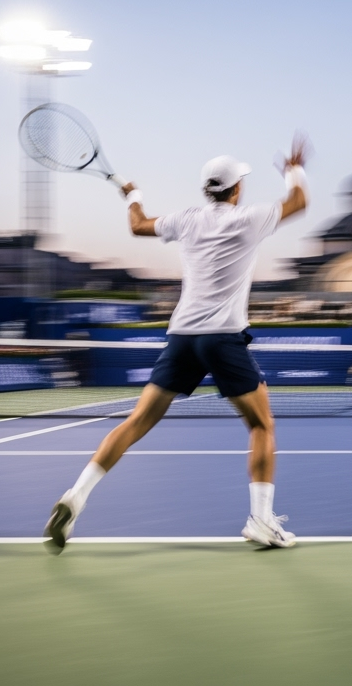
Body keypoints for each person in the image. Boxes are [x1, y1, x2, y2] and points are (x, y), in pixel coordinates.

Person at [43, 135, 311, 553]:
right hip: (223, 338)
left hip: (182, 337)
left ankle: (75, 497)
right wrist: (294, 168)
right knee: (261, 425)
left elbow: (138, 225)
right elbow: (298, 202)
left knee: (136, 422)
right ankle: (261, 521)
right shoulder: (250, 218)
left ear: (208, 189)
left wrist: (134, 195)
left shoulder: (186, 219)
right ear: (236, 189)